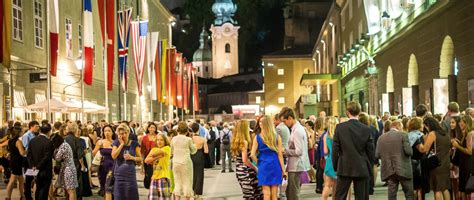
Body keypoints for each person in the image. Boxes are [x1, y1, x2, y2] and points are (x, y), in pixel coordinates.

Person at [332, 101, 374, 200]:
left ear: (347, 112)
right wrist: (369, 166)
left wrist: (336, 165)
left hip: (344, 166)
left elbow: (335, 150)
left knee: (340, 196)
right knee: (362, 197)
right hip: (362, 166)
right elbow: (371, 151)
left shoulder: (340, 128)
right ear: (359, 112)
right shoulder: (366, 129)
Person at [376, 120, 414, 199]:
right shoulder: (403, 135)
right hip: (403, 168)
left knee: (392, 193)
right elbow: (408, 151)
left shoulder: (381, 138)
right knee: (409, 193)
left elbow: (377, 154)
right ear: (398, 126)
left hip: (389, 169)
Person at [251, 115, 285, 200]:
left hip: (263, 165)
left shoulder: (257, 137)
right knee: (274, 194)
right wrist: (283, 170)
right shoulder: (277, 137)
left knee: (266, 194)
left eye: (260, 122)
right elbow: (280, 155)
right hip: (275, 165)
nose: (259, 124)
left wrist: (258, 162)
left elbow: (252, 155)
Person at [279, 107, 311, 199]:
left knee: (293, 194)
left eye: (284, 121)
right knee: (290, 192)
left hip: (296, 166)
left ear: (290, 118)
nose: (284, 124)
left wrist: (286, 151)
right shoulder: (295, 129)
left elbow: (299, 151)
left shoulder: (297, 130)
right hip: (295, 165)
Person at [418, 117, 451, 200]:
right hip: (446, 163)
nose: (426, 128)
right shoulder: (445, 133)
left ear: (428, 125)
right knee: (445, 188)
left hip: (436, 163)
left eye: (426, 126)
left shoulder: (432, 134)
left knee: (437, 189)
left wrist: (419, 145)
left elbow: (425, 149)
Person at [231, 120, 262, 199]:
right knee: (253, 194)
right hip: (246, 172)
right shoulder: (244, 142)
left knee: (248, 194)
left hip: (239, 170)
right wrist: (255, 167)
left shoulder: (236, 140)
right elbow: (245, 160)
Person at [111, 124, 142, 199]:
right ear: (118, 134)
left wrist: (132, 158)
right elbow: (113, 156)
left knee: (131, 196)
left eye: (125, 133)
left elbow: (140, 159)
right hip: (119, 175)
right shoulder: (116, 143)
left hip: (130, 175)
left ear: (128, 133)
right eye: (121, 133)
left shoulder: (134, 144)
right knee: (119, 196)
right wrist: (121, 145)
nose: (124, 135)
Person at [27, 123, 54, 200]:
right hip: (45, 170)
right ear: (49, 131)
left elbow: (29, 155)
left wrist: (33, 166)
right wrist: (37, 167)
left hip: (34, 169)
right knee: (44, 191)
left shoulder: (32, 140)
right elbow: (47, 157)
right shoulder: (48, 142)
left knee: (38, 188)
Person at [171, 122, 197, 199]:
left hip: (175, 163)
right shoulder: (188, 139)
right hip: (186, 163)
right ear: (187, 131)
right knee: (187, 183)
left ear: (178, 130)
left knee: (177, 183)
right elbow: (193, 151)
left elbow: (171, 151)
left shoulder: (173, 139)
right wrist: (194, 143)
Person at [145, 133, 173, 199]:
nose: (159, 142)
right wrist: (157, 157)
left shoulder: (167, 148)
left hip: (163, 177)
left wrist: (152, 156)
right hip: (154, 178)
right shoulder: (154, 149)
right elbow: (146, 160)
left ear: (165, 141)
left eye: (161, 140)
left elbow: (154, 154)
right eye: (157, 140)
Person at [51, 133, 78, 200]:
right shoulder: (65, 144)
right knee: (71, 190)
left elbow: (57, 158)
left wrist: (53, 152)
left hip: (68, 170)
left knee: (70, 191)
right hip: (69, 168)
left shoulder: (63, 146)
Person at [452, 115, 473, 200]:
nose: (460, 123)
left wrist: (457, 146)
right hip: (464, 163)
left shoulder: (470, 134)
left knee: (466, 187)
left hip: (467, 164)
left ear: (466, 123)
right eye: (460, 121)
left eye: (462, 122)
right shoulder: (465, 133)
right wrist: (459, 143)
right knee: (463, 187)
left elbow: (469, 151)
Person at [407, 117, 428, 200]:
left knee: (413, 186)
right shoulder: (418, 136)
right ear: (419, 125)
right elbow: (421, 149)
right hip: (418, 163)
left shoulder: (407, 135)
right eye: (422, 123)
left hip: (409, 162)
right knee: (419, 186)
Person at [91, 124, 115, 196]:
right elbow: (93, 153)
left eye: (109, 131)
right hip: (103, 166)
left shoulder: (115, 142)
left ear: (112, 132)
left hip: (113, 166)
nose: (107, 132)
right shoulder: (100, 142)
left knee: (110, 184)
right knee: (103, 184)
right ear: (103, 132)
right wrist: (98, 149)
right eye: (105, 131)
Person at [65, 122, 85, 200]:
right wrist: (83, 165)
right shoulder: (77, 140)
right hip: (75, 163)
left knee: (68, 183)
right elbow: (80, 155)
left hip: (66, 163)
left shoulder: (63, 139)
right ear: (76, 130)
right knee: (77, 183)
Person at [5, 125, 26, 200]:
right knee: (12, 180)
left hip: (14, 161)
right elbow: (22, 153)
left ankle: (22, 196)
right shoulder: (18, 141)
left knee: (21, 180)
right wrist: (28, 150)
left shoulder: (10, 140)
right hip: (17, 162)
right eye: (21, 131)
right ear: (18, 133)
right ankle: (8, 197)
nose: (22, 133)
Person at [22, 120, 40, 200]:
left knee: (33, 178)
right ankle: (28, 196)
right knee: (29, 179)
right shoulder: (26, 135)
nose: (38, 128)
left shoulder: (34, 135)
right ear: (31, 127)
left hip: (34, 159)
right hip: (28, 160)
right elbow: (26, 148)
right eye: (36, 126)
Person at [190, 122, 209, 199]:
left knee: (192, 175)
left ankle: (192, 193)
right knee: (199, 175)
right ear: (198, 129)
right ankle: (197, 195)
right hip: (200, 157)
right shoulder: (203, 139)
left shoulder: (190, 139)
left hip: (191, 156)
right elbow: (206, 151)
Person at [322, 117, 337, 200]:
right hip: (337, 161)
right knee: (336, 185)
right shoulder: (338, 135)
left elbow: (325, 151)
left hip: (329, 161)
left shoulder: (325, 136)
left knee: (327, 185)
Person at [141, 122, 159, 189]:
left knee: (156, 175)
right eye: (151, 127)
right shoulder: (145, 138)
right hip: (147, 159)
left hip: (156, 158)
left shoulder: (158, 137)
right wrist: (142, 166)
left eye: (153, 128)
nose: (152, 129)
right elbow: (142, 151)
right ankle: (151, 190)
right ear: (148, 128)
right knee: (148, 175)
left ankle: (155, 189)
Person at [315, 117, 326, 194]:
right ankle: (320, 186)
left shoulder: (317, 131)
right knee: (321, 170)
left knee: (319, 169)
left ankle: (318, 186)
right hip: (322, 151)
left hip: (318, 150)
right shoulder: (323, 132)